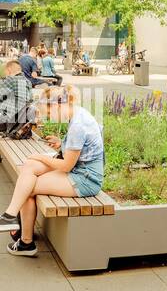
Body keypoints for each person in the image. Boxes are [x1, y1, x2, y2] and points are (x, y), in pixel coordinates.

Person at [1, 86, 103, 257]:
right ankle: (11, 216)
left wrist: (41, 157)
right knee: (29, 166)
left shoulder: (78, 124)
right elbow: (78, 149)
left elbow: (66, 166)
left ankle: (25, 242)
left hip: (85, 179)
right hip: (79, 168)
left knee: (27, 188)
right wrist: (61, 143)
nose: (49, 118)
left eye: (48, 114)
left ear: (56, 105)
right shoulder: (78, 113)